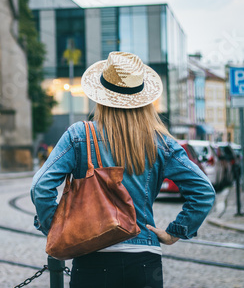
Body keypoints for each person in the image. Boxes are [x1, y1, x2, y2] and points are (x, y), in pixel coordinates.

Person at [30, 51, 215, 288]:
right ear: (143, 99)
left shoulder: (79, 135)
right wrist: (175, 232)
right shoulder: (162, 142)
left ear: (101, 95)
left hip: (92, 258)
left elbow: (40, 186)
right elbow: (204, 192)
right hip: (144, 261)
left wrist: (55, 228)